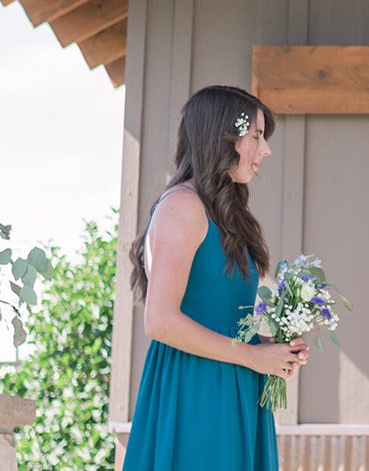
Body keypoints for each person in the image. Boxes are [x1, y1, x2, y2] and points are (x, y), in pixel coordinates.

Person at [124, 85, 308, 471]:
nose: (265, 150)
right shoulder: (182, 207)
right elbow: (160, 321)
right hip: (196, 392)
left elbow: (218, 312)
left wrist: (272, 349)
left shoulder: (225, 214)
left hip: (235, 386)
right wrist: (254, 356)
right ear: (223, 137)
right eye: (256, 136)